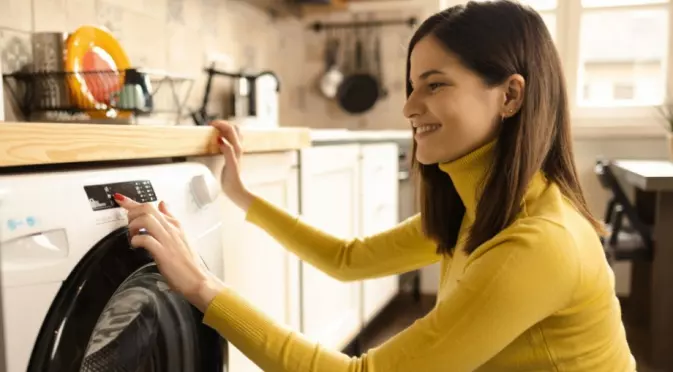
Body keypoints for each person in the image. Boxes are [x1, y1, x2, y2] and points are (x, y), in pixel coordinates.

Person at [113, 0, 636, 370]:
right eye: (412, 87)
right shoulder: (477, 205)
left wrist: (203, 287)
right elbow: (349, 259)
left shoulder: (538, 243)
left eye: (435, 85)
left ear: (510, 96)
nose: (409, 107)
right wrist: (242, 195)